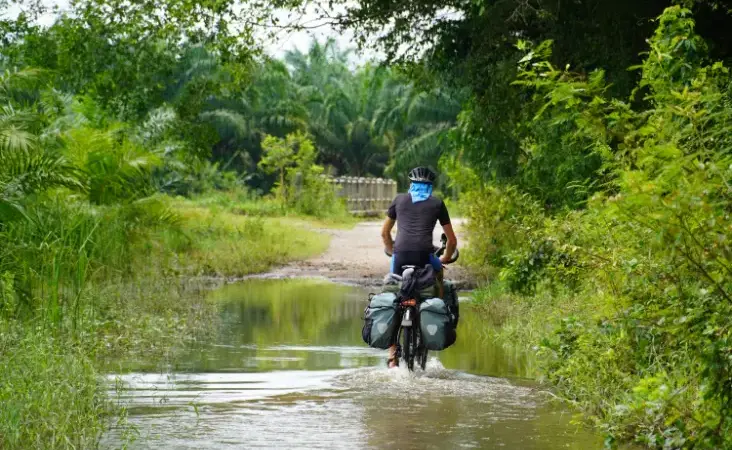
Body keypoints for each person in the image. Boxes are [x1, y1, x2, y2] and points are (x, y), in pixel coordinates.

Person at [380, 166, 457, 368]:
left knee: (394, 289)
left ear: (411, 185)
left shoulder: (398, 200)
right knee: (438, 274)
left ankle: (391, 354)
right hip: (425, 255)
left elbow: (385, 233)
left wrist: (392, 250)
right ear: (431, 186)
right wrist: (444, 259)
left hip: (400, 255)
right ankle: (436, 310)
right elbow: (451, 240)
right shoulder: (437, 203)